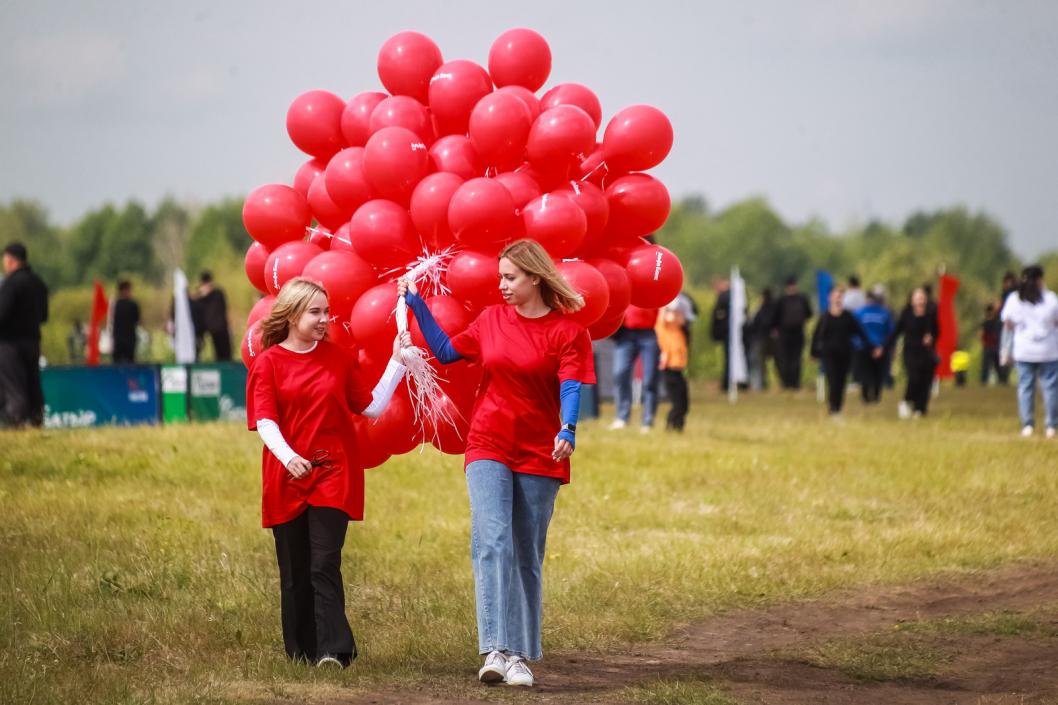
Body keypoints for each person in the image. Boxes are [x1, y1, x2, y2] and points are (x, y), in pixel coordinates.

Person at [397, 239, 595, 687]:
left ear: (535, 278)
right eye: (500, 277)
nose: (502, 286)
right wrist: (415, 304)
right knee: (492, 541)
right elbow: (447, 351)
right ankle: (494, 649)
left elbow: (570, 385)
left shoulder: (568, 333)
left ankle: (521, 656)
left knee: (527, 552)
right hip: (488, 442)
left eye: (510, 277)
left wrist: (568, 428)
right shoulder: (490, 320)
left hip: (539, 450)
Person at [246, 277, 410, 669]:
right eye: (315, 312)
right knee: (294, 568)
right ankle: (300, 650)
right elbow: (265, 421)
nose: (324, 319)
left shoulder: (337, 357)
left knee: (324, 561)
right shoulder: (268, 363)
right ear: (291, 315)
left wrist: (397, 363)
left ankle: (333, 650)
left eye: (326, 311)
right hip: (286, 475)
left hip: (334, 472)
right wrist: (289, 458)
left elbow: (369, 407)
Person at [1000, 265, 1058, 438]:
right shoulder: (1050, 299)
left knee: (1025, 387)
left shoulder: (1015, 299)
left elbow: (1008, 323)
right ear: (1041, 279)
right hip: (1049, 350)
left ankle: (1027, 425)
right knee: (1050, 388)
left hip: (1024, 350)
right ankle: (1051, 426)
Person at [0, 242, 49, 428]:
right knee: (33, 383)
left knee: (13, 387)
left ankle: (14, 423)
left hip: (9, 345)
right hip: (33, 342)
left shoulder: (11, 283)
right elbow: (44, 316)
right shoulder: (38, 283)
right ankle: (37, 420)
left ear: (11, 261)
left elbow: (1, 314)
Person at [811, 289, 880, 416]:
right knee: (832, 381)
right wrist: (814, 353)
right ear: (830, 299)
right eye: (835, 297)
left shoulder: (848, 317)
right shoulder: (825, 317)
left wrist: (872, 347)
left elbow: (860, 333)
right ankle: (833, 408)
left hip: (845, 354)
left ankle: (839, 407)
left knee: (841, 381)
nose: (837, 299)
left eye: (839, 297)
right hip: (829, 355)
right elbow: (816, 336)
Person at [889, 288, 940, 418]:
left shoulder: (930, 314)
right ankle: (906, 401)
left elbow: (937, 331)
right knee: (914, 377)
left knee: (926, 381)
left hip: (926, 353)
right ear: (911, 300)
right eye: (917, 297)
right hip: (911, 351)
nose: (920, 300)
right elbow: (897, 331)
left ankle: (920, 408)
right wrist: (888, 347)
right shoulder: (906, 314)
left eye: (922, 297)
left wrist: (931, 337)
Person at [610, 303, 660, 432]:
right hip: (626, 333)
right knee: (620, 373)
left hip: (650, 332)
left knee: (650, 378)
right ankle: (622, 417)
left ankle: (648, 420)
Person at [770, 276, 813, 390]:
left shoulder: (782, 300)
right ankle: (794, 382)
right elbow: (809, 314)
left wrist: (775, 330)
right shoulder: (802, 299)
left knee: (786, 358)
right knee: (795, 359)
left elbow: (774, 317)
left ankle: (787, 383)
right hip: (797, 332)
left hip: (785, 334)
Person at [853, 287, 894, 403]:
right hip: (879, 347)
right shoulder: (885, 312)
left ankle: (866, 397)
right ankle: (875, 397)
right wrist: (886, 347)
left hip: (865, 348)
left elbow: (853, 333)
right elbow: (890, 332)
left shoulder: (859, 312)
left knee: (867, 373)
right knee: (877, 373)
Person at [656, 297, 690, 431]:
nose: (679, 316)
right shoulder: (664, 329)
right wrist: (666, 306)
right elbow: (661, 316)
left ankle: (678, 426)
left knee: (684, 403)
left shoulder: (680, 331)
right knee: (677, 403)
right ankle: (671, 426)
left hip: (679, 370)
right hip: (669, 369)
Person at [195, 271, 233, 361]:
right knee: (219, 354)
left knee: (225, 353)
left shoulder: (218, 293)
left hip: (221, 329)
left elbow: (225, 309)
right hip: (213, 330)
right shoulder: (204, 296)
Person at [747, 288, 776, 390]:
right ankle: (762, 383)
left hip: (758, 339)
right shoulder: (774, 308)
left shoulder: (760, 309)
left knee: (757, 362)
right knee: (762, 364)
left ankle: (757, 385)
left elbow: (753, 324)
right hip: (769, 339)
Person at [110, 280, 141, 364]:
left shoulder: (114, 304)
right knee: (130, 364)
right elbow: (137, 320)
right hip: (129, 339)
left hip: (118, 339)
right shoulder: (133, 304)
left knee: (117, 364)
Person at [709, 278, 731, 390]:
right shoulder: (732, 296)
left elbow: (717, 317)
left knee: (729, 358)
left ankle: (727, 383)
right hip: (728, 332)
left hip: (726, 333)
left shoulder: (723, 297)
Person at [980, 303, 1007, 385]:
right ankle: (1002, 381)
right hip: (994, 347)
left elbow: (981, 334)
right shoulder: (997, 322)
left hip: (990, 347)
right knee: (997, 366)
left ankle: (985, 381)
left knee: (988, 366)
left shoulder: (986, 323)